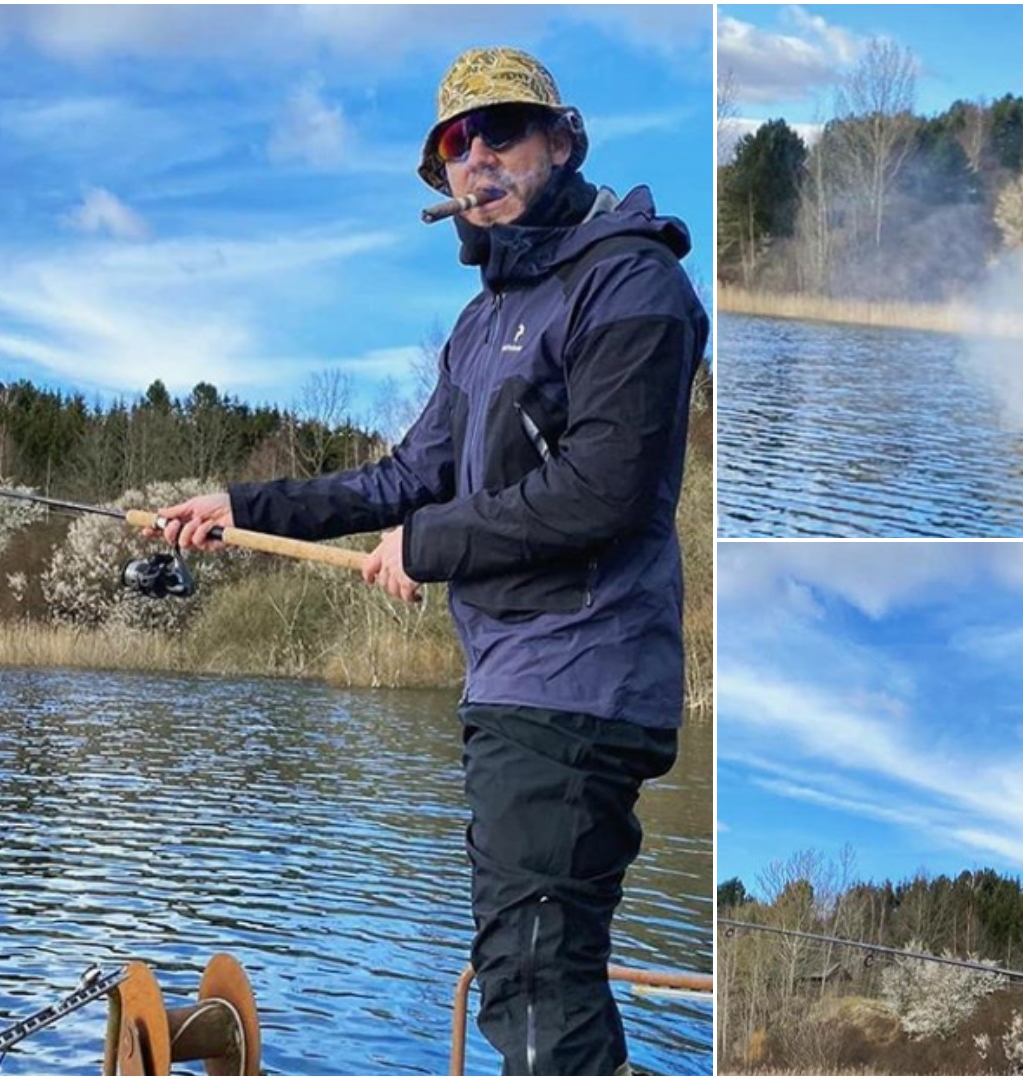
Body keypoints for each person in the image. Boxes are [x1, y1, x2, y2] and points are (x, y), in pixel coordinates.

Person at [153, 46, 709, 1075]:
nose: (477, 158)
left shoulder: (635, 284)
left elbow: (605, 489)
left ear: (560, 140)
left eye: (500, 131)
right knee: (526, 980)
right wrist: (240, 506)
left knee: (537, 992)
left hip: (583, 683)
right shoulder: (483, 321)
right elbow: (400, 480)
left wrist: (432, 545)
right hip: (514, 688)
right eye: (455, 144)